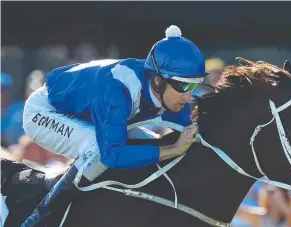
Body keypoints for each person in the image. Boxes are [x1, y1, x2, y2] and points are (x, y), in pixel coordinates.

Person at [21, 25, 208, 226]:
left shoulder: (165, 88)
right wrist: (172, 149)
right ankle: (39, 219)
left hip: (89, 111)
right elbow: (113, 156)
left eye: (193, 85)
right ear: (157, 80)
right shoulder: (118, 92)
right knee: (97, 151)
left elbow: (197, 130)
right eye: (183, 86)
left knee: (152, 143)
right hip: (44, 111)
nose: (188, 96)